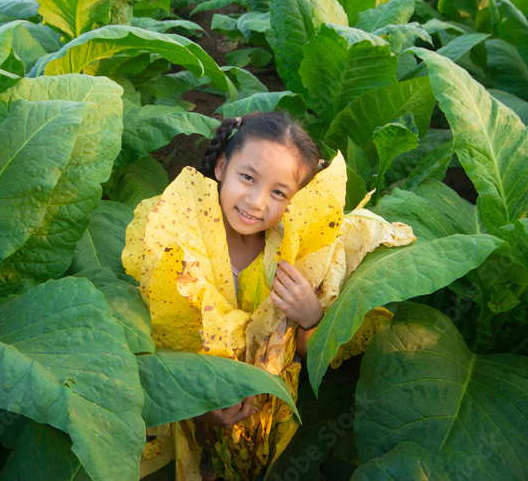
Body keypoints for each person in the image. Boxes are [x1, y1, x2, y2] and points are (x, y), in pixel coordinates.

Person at [123, 112, 415, 481]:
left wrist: (310, 316)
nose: (257, 202)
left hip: (271, 423)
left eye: (279, 192)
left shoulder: (298, 257)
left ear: (299, 203)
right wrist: (199, 406)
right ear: (222, 166)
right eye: (248, 178)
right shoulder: (179, 233)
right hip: (187, 413)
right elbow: (155, 349)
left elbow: (310, 354)